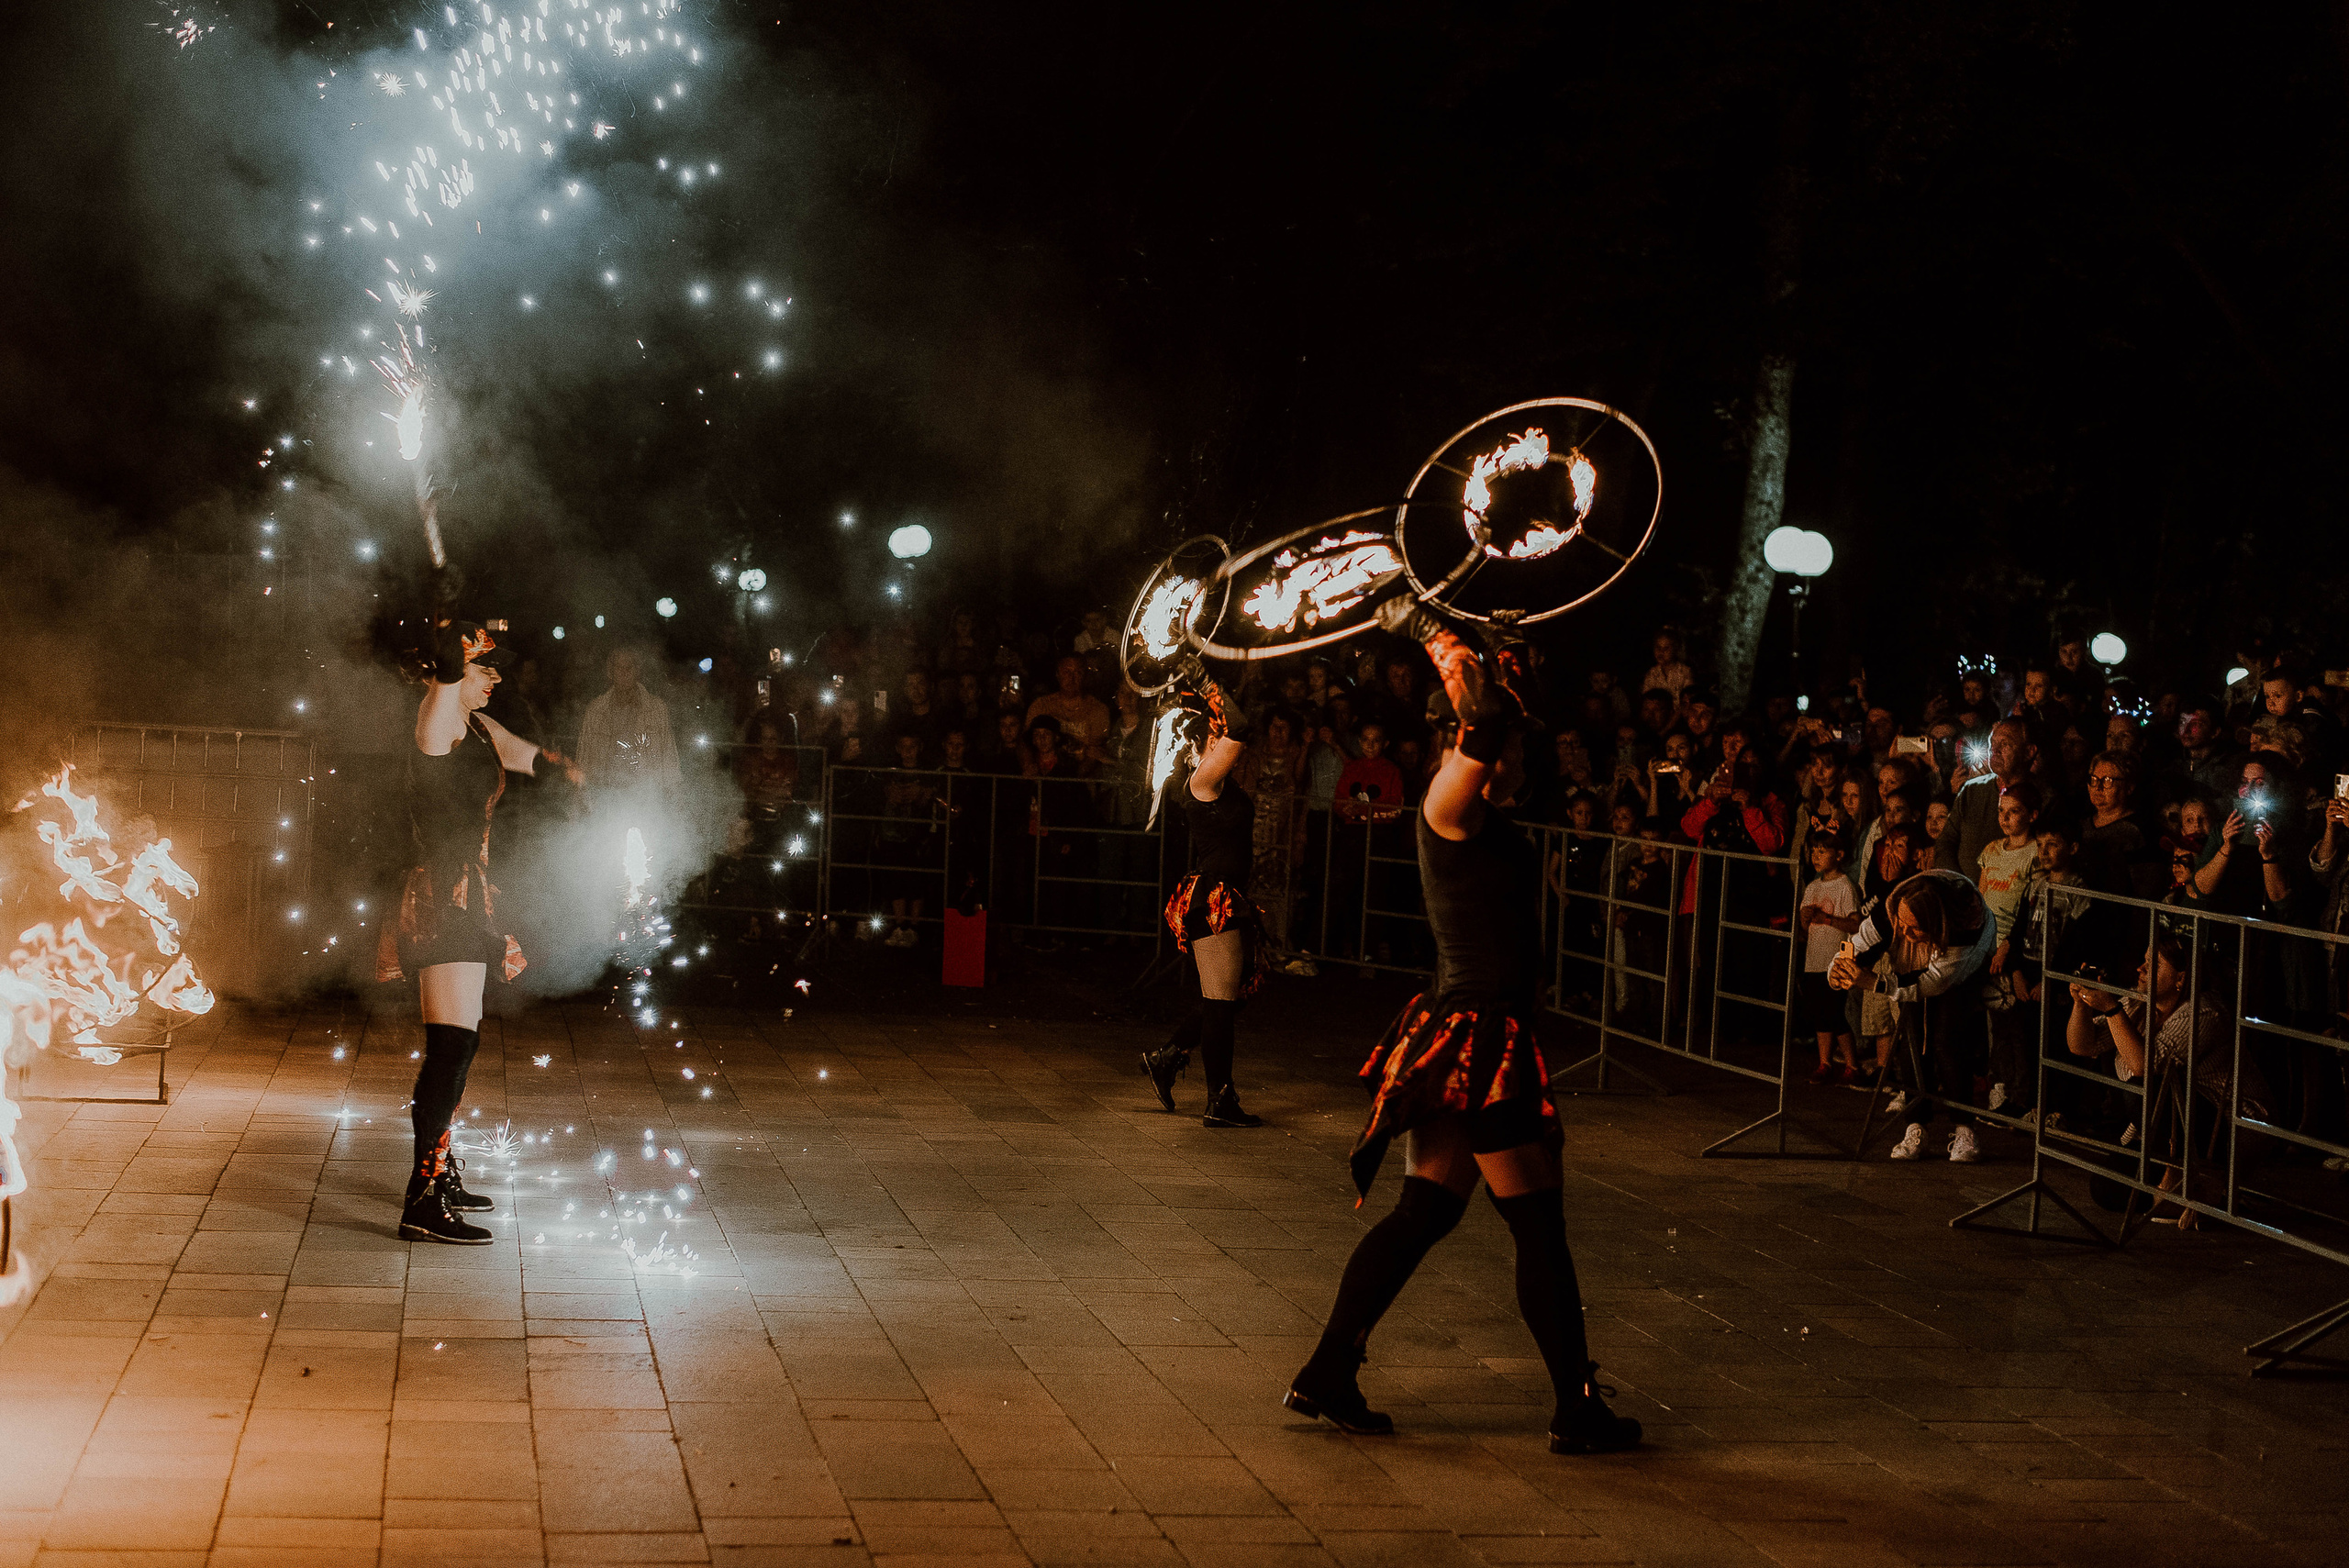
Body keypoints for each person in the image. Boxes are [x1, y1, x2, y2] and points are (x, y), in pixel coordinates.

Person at [1286, 610, 1639, 1455]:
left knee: (1424, 1213)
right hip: (1480, 1044)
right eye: (1507, 749)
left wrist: (1503, 653)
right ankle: (1575, 1409)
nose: (1519, 758)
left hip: (1476, 1035)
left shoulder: (1484, 810)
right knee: (1538, 1226)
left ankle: (1328, 1370)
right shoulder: (1448, 802)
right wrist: (1430, 629)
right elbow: (1482, 720)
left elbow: (1507, 710)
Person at [379, 621, 582, 1244]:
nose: (494, 677)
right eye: (482, 667)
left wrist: (573, 771)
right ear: (451, 670)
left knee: (457, 1046)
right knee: (451, 1047)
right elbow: (444, 677)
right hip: (443, 898)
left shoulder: (476, 726)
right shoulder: (436, 718)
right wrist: (451, 644)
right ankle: (423, 1197)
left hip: (468, 894)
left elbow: (525, 755)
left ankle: (439, 1173)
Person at [1142, 674, 1267, 1128]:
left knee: (1232, 997)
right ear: (1196, 749)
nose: (1222, 744)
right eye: (1213, 740)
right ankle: (1220, 1100)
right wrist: (1204, 679)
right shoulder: (1202, 780)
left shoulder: (1219, 781)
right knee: (1220, 1003)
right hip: (1212, 899)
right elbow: (1240, 727)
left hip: (1226, 896)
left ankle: (1168, 1056)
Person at [1829, 869, 1998, 1162]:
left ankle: (1964, 1129)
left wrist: (1875, 982)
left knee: (1947, 1039)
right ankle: (1915, 1125)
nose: (1904, 934)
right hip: (1917, 958)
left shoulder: (1965, 925)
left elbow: (1932, 983)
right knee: (1911, 1040)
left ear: (1934, 925)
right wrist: (1837, 969)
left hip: (1959, 967)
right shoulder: (1892, 909)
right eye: (1901, 925)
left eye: (1913, 929)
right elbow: (1859, 942)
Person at [1936, 718, 2035, 882]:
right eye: (1992, 743)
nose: (1994, 750)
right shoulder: (1972, 789)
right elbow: (1945, 843)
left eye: (2004, 744)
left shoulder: (2042, 797)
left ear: (2028, 752)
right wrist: (1959, 885)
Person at [1798, 831, 1860, 1084]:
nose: (1816, 856)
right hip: (1814, 959)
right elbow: (1805, 927)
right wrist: (1805, 918)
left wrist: (1828, 919)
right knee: (1819, 1012)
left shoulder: (1845, 886)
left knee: (1835, 1012)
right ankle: (1825, 1062)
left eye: (1822, 851)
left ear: (1839, 855)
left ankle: (1851, 1063)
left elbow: (1855, 924)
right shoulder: (1813, 886)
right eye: (1813, 851)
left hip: (1835, 960)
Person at [1027, 654, 1112, 762]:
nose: (1071, 678)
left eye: (1078, 672)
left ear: (1085, 676)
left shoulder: (1098, 709)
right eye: (1066, 672)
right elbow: (1025, 741)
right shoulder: (1041, 705)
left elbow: (1095, 752)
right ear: (1058, 674)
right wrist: (1029, 765)